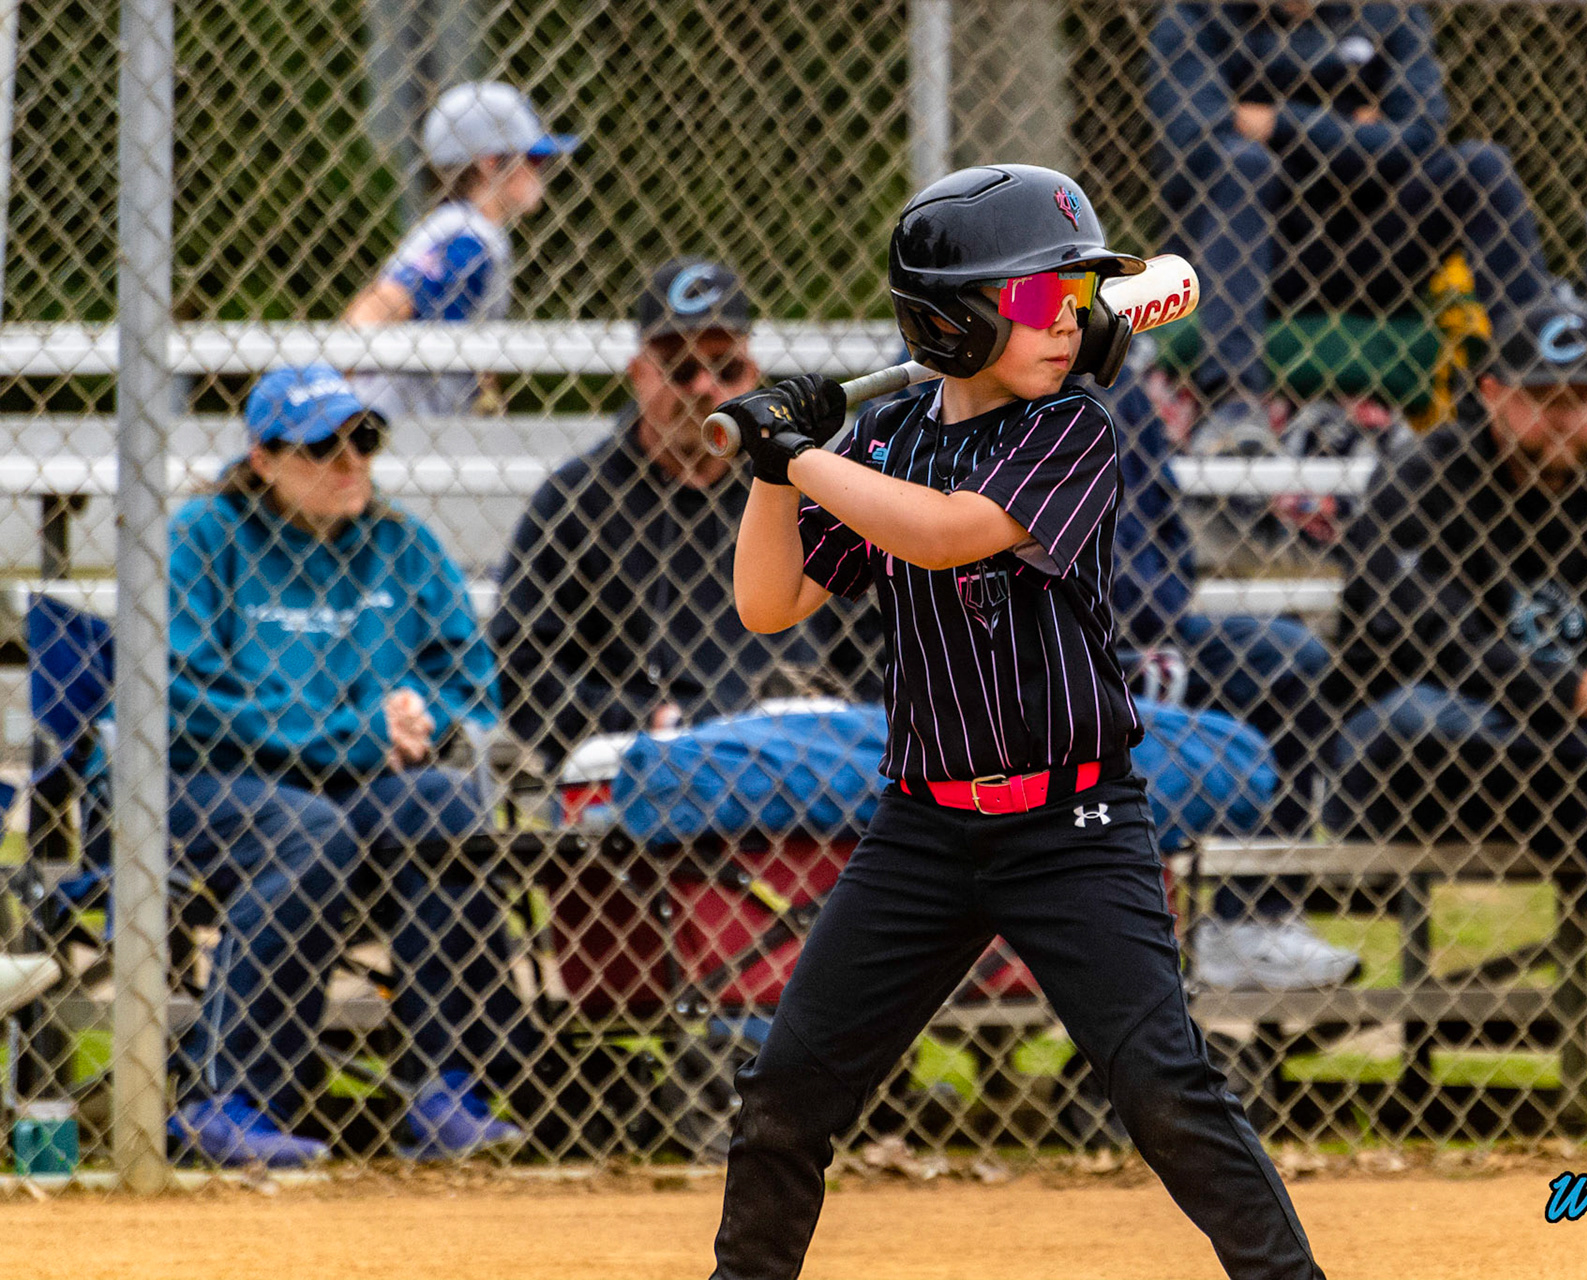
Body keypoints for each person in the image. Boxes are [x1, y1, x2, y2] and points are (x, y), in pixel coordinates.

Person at [707, 164, 1325, 1279]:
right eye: (1040, 299)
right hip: (922, 830)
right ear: (951, 322)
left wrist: (807, 457)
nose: (1071, 321)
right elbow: (770, 602)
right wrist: (769, 472)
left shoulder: (1074, 428)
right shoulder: (890, 441)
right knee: (787, 1090)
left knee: (1161, 1085)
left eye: (1078, 299)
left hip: (1072, 821)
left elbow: (947, 533)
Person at [1327, 293, 1587, 1141]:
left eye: (1579, 399)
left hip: (1575, 775)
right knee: (1431, 713)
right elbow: (1422, 640)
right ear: (1489, 392)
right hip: (1420, 769)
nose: (1563, 418)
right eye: (1541, 398)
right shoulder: (1422, 478)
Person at [166, 365, 535, 1166]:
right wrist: (353, 734)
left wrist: (425, 718)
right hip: (201, 783)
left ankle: (445, 1089)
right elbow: (186, 698)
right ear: (262, 459)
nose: (349, 462)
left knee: (441, 804)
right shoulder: (204, 536)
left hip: (352, 786)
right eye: (320, 447)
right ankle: (229, 1100)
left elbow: (469, 680)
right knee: (310, 832)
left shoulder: (400, 543)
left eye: (363, 439)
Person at [1145, 1, 1554, 438]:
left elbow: (1420, 138)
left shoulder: (1387, 13)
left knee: (1483, 168)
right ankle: (1233, 410)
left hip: (1366, 255)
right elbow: (1196, 143)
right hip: (1242, 259)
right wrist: (1358, 131)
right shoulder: (1194, 16)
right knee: (1242, 164)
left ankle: (1544, 374)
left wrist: (1280, 122)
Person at [491, 257, 836, 766]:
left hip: (804, 751)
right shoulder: (574, 502)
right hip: (651, 760)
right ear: (638, 375)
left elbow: (877, 644)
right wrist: (640, 720)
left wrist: (832, 714)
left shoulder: (809, 486)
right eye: (680, 369)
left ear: (755, 375)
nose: (703, 389)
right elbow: (521, 664)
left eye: (726, 368)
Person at [1105, 364, 1360, 990]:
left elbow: (1164, 517)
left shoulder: (1105, 371)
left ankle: (1253, 922)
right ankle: (1124, 941)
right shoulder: (963, 376)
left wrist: (1159, 607)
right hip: (1041, 641)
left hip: (1152, 630)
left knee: (1289, 660)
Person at [344, 81, 577, 418]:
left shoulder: (469, 230)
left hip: (418, 426)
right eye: (534, 158)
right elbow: (379, 307)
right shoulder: (467, 239)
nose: (541, 171)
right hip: (396, 424)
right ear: (490, 164)